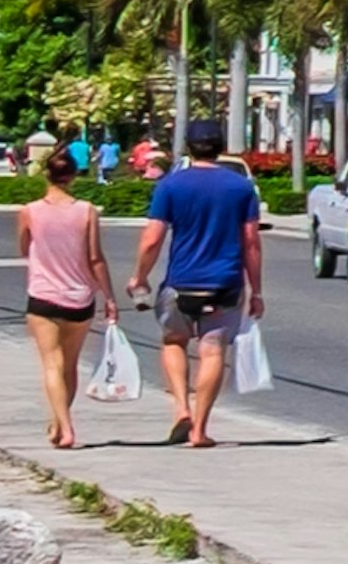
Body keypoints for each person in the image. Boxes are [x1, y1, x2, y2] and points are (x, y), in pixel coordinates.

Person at [124, 120, 261, 447]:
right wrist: (256, 290)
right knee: (212, 352)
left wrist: (139, 277)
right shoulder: (241, 188)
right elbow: (251, 242)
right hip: (225, 284)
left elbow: (152, 238)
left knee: (173, 341)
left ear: (188, 146)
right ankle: (200, 429)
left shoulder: (171, 186)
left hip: (180, 284)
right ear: (221, 146)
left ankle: (181, 409)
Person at [15, 151, 114, 449]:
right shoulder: (87, 211)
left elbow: (23, 248)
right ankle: (59, 423)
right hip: (81, 297)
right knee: (69, 365)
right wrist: (108, 296)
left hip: (44, 295)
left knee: (51, 364)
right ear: (73, 176)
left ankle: (66, 428)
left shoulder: (29, 211)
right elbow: (95, 257)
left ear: (46, 174)